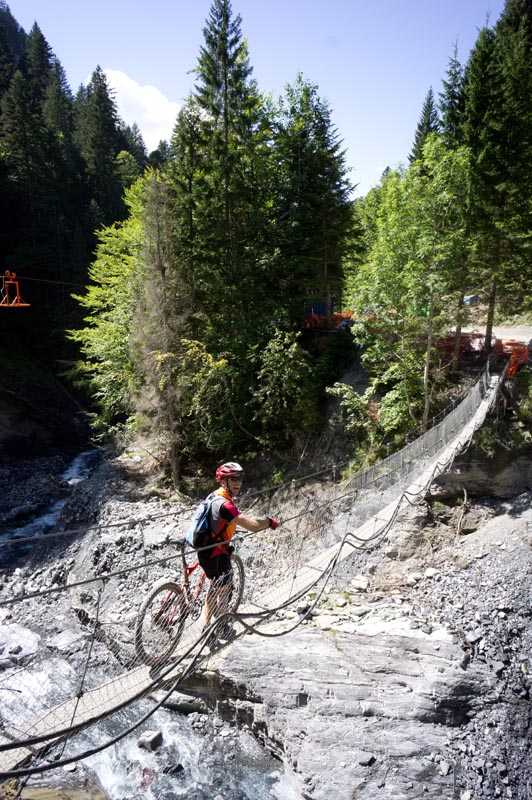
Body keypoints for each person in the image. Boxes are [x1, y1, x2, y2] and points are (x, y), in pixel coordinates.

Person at [199, 461, 278, 641]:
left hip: (206, 549)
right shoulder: (225, 505)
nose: (238, 483)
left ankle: (205, 627)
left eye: (240, 479)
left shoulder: (214, 496)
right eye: (233, 479)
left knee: (214, 586)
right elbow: (251, 525)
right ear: (223, 481)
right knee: (225, 589)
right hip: (216, 552)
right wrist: (269, 522)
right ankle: (221, 626)